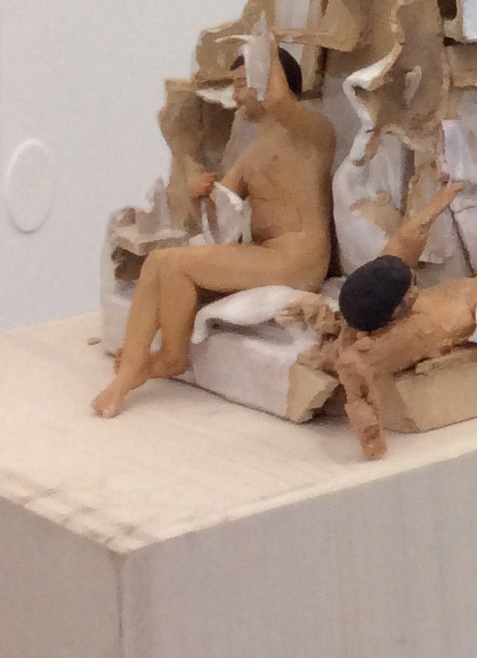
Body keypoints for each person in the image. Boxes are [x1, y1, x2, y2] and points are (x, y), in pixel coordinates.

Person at [94, 40, 335, 418]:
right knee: (159, 261)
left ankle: (163, 361)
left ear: (265, 80)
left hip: (298, 260)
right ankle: (138, 366)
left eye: (241, 84)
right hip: (265, 254)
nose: (235, 96)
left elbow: (278, 101)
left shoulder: (313, 132)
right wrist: (202, 194)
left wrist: (266, 44)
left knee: (176, 265)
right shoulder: (253, 151)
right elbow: (223, 209)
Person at [297, 180, 477, 459]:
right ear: (394, 310)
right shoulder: (395, 340)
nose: (413, 287)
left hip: (471, 290)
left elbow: (400, 249)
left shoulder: (369, 307)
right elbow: (356, 379)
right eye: (409, 290)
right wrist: (371, 439)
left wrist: (437, 204)